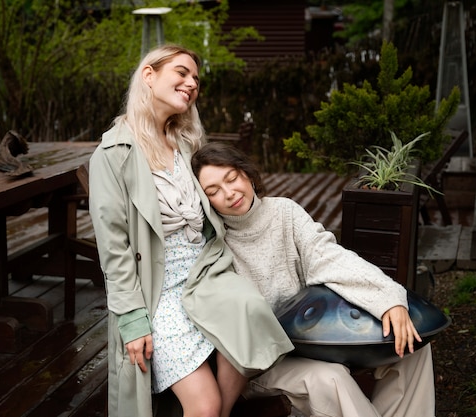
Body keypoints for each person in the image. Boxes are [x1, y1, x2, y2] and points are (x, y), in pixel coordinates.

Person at [88, 45, 293, 417]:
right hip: (159, 288)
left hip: (207, 275)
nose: (191, 83)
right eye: (181, 72)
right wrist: (132, 320)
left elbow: (223, 195)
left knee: (245, 323)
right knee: (205, 404)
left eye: (195, 78)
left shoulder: (187, 144)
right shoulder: (112, 154)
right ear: (148, 76)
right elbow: (113, 248)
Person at [191, 141, 437, 417]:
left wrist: (389, 298)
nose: (229, 193)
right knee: (329, 378)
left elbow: (328, 256)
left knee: (412, 346)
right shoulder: (214, 245)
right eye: (213, 191)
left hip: (313, 341)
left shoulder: (284, 212)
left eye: (232, 178)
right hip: (265, 362)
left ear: (245, 173)